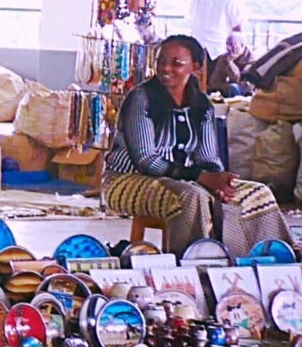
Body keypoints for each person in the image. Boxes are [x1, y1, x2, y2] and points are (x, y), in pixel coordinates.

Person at [102, 34, 292, 253]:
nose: (165, 68)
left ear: (195, 67)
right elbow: (146, 161)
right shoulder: (140, 98)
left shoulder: (202, 104)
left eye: (176, 63)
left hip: (184, 179)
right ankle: (193, 265)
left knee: (257, 193)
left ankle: (267, 260)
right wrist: (203, 178)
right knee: (192, 197)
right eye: (161, 61)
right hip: (127, 180)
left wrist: (219, 182)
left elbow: (207, 158)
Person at [187, 0, 249, 94]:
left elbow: (238, 25)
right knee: (198, 85)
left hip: (220, 49)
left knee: (214, 84)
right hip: (200, 48)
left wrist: (239, 48)